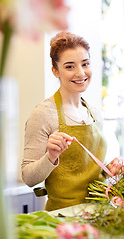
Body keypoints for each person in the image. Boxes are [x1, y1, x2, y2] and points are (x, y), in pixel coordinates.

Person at [21, 31, 107, 211]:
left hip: (100, 213)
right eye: (70, 66)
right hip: (64, 219)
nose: (81, 73)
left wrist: (113, 167)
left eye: (85, 64)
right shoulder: (43, 114)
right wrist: (51, 156)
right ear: (55, 70)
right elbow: (28, 178)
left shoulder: (95, 114)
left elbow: (88, 167)